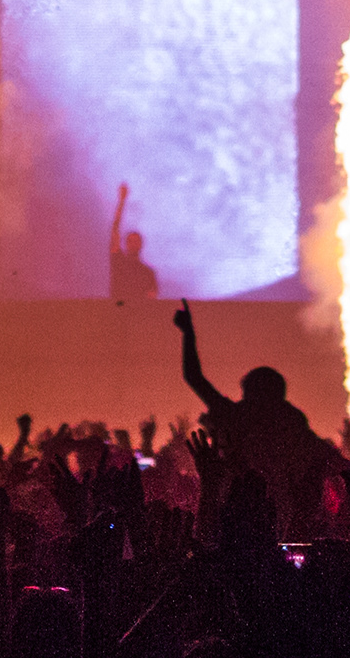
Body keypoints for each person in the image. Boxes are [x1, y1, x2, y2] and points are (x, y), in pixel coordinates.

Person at [171, 299, 333, 528]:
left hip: (232, 511)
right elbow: (323, 461)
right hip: (281, 515)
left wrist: (187, 333)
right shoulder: (292, 421)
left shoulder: (238, 416)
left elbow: (194, 377)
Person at [106, 184, 159, 303]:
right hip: (118, 310)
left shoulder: (148, 272)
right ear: (126, 244)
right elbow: (114, 231)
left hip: (138, 313)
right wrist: (121, 201)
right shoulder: (119, 261)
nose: (133, 244)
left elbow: (152, 300)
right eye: (130, 241)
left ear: (141, 244)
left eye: (136, 241)